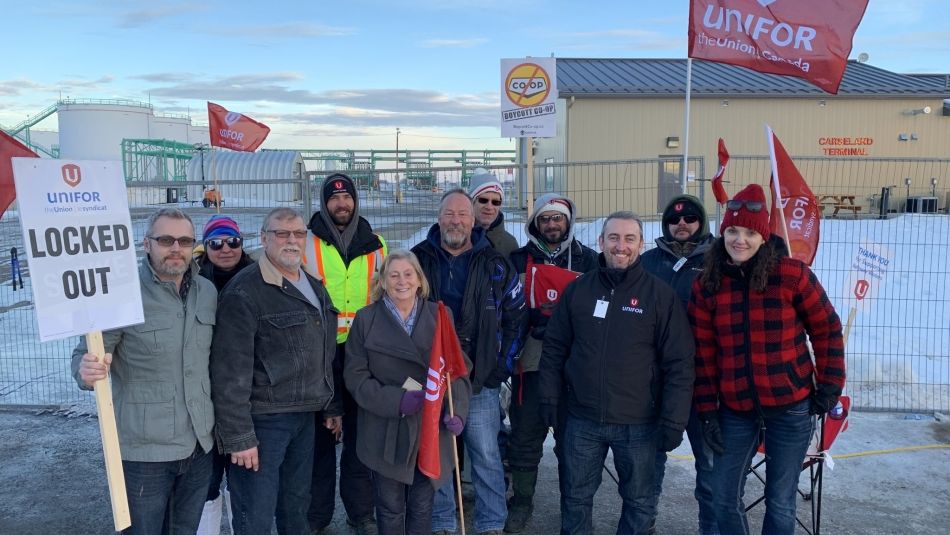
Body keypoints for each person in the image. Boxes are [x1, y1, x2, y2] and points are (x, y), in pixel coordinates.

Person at [689, 184, 845, 535]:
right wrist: (707, 412)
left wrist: (830, 385)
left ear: (763, 236)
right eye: (731, 230)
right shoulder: (708, 284)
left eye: (749, 232)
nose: (739, 239)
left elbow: (827, 330)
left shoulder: (791, 275)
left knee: (780, 499)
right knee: (723, 496)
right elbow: (704, 354)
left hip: (790, 405)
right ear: (722, 233)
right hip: (735, 408)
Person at [539, 211, 695, 535]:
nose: (620, 246)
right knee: (576, 498)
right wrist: (550, 398)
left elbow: (679, 363)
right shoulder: (578, 290)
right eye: (613, 238)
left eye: (628, 239)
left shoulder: (660, 296)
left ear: (641, 244)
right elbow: (554, 348)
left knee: (639, 501)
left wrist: (673, 419)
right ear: (601, 241)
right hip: (582, 419)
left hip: (639, 423)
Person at [72, 208, 216, 534]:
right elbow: (87, 354)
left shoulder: (206, 292)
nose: (176, 248)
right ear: (146, 243)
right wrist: (86, 370)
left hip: (199, 442)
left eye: (184, 240)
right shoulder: (119, 295)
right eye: (166, 240)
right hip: (145, 451)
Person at [210, 208, 340, 535]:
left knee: (296, 507)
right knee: (254, 511)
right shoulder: (245, 292)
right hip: (262, 422)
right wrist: (239, 437)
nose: (291, 240)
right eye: (282, 234)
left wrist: (331, 404)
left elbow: (324, 352)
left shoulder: (311, 284)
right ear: (264, 238)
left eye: (298, 233)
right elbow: (229, 371)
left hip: (304, 417)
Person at [411, 189, 527, 535]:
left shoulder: (495, 264)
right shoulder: (419, 260)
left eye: (463, 214)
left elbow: (517, 318)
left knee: (486, 454)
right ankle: (444, 521)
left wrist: (500, 367)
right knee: (441, 453)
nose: (456, 221)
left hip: (479, 379)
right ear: (438, 216)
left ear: (474, 220)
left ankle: (491, 523)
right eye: (449, 214)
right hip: (433, 378)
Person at [344, 250, 472, 535]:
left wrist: (458, 412)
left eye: (408, 274)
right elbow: (355, 377)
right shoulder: (366, 319)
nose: (401, 281)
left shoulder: (439, 315)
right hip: (385, 427)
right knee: (389, 508)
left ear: (419, 280)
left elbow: (457, 371)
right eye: (394, 275)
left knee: (422, 505)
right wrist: (397, 400)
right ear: (384, 282)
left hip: (429, 428)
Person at [504, 193, 598, 533]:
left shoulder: (589, 261)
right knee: (525, 438)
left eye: (558, 218)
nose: (552, 224)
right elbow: (505, 305)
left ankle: (572, 506)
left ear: (568, 222)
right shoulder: (517, 259)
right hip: (529, 364)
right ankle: (522, 502)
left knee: (571, 443)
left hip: (574, 369)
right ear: (535, 223)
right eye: (545, 219)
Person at [302, 173, 387, 535]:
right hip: (318, 353)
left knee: (359, 440)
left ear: (355, 201)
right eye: (334, 198)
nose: (342, 204)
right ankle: (316, 517)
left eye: (347, 198)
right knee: (319, 442)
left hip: (361, 354)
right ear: (324, 202)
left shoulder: (377, 243)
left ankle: (360, 513)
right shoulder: (305, 242)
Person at [639, 195, 718, 535]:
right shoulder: (647, 262)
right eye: (674, 219)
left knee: (712, 467)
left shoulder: (720, 259)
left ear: (701, 222)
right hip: (656, 380)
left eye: (689, 219)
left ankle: (712, 527)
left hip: (705, 381)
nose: (681, 224)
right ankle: (643, 523)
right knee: (648, 463)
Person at [193, 215, 256, 535]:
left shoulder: (257, 276)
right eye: (216, 243)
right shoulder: (193, 279)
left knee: (243, 472)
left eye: (233, 241)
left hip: (245, 387)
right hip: (203, 387)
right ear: (206, 247)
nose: (226, 249)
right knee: (207, 477)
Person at [468, 168, 518, 257]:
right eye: (483, 200)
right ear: (472, 202)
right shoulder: (458, 239)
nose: (489, 207)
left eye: (495, 202)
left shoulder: (510, 244)